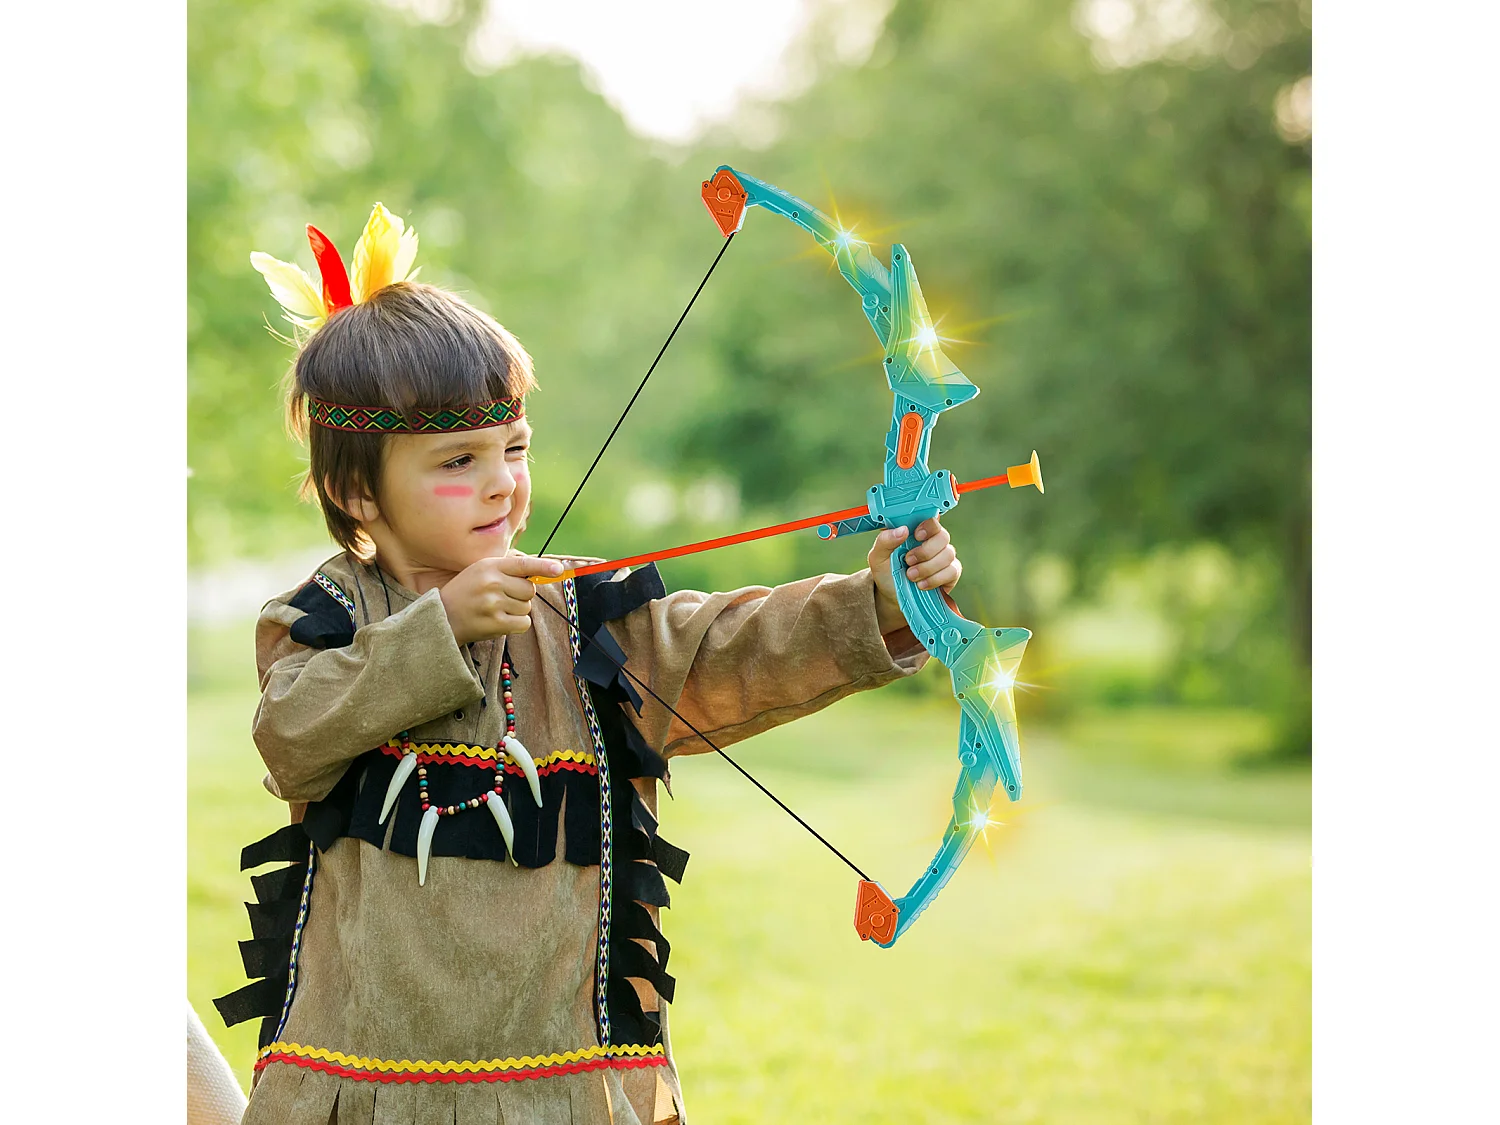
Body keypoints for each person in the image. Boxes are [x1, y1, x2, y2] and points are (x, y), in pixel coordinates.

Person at [216, 204, 963, 1125]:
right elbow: (292, 734)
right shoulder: (323, 621)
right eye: (459, 459)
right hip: (369, 1082)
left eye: (515, 448)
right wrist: (441, 626)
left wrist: (881, 600)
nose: (502, 481)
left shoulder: (584, 615)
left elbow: (729, 645)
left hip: (566, 1083)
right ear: (354, 488)